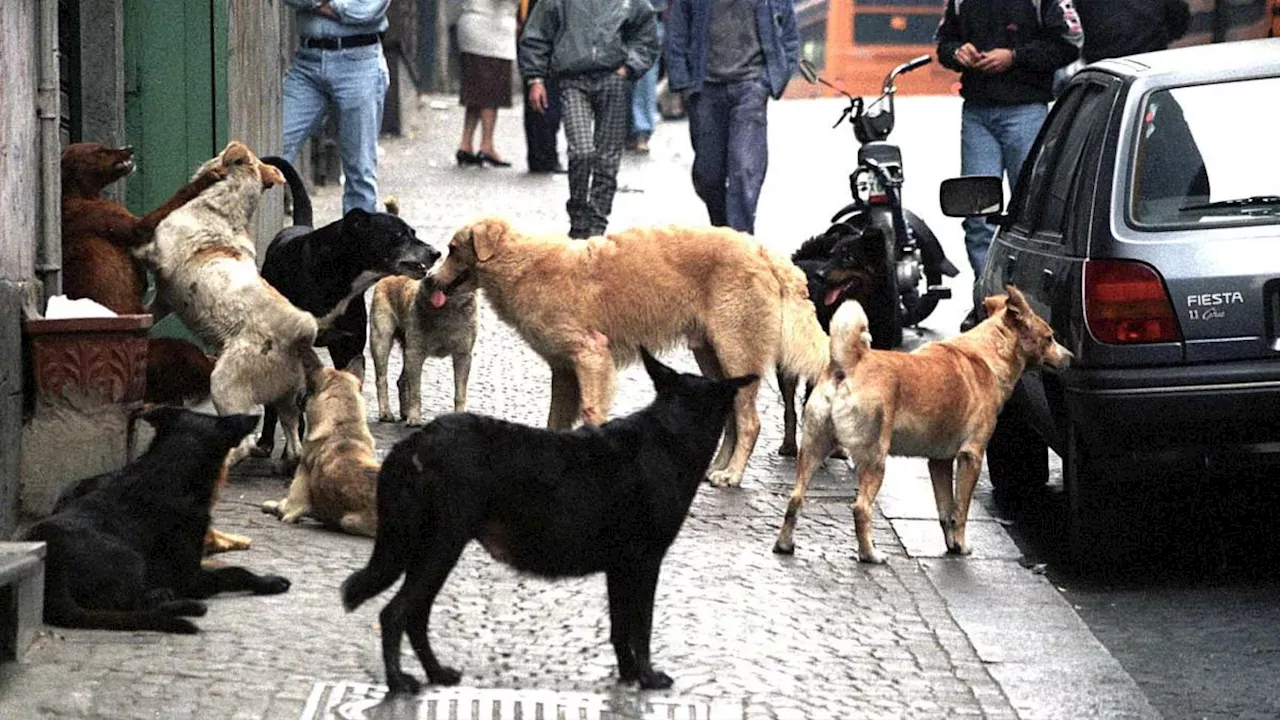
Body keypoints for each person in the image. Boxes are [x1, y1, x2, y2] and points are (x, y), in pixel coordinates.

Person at [935, 0, 1081, 315]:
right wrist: (957, 53)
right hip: (977, 111)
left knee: (1032, 215)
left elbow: (1070, 43)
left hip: (1027, 109)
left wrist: (1015, 57)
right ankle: (992, 305)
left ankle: (1033, 306)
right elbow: (944, 43)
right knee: (976, 215)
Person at [519, 0, 659, 239]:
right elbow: (537, 34)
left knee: (607, 160)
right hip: (573, 79)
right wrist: (535, 78)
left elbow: (646, 33)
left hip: (613, 78)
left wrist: (628, 67)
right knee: (581, 152)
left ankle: (597, 226)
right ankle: (579, 216)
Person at [665, 0, 799, 236]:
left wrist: (768, 82)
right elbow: (676, 33)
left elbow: (789, 35)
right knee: (708, 174)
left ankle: (741, 240)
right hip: (705, 88)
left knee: (745, 169)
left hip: (750, 87)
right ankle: (723, 231)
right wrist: (683, 84)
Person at [282, 0, 391, 214]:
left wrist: (312, 4)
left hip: (359, 62)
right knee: (272, 150)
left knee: (360, 169)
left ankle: (358, 246)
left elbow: (366, 10)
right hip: (307, 63)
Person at [455, 0, 520, 167]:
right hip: (491, 28)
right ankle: (486, 145)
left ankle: (466, 143)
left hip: (472, 23)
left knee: (476, 89)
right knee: (491, 91)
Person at [518, 0, 566, 173]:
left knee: (544, 102)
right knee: (544, 101)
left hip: (550, 42)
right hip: (547, 42)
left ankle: (543, 155)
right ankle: (542, 155)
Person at [627, 0, 668, 154]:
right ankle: (629, 129)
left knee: (645, 74)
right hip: (614, 15)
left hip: (648, 14)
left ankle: (641, 131)